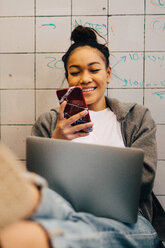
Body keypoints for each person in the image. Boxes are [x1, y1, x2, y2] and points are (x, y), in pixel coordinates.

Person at [0, 25, 160, 248]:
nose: (85, 79)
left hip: (127, 219)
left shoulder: (136, 117)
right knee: (44, 196)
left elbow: (143, 181)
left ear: (108, 74)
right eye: (75, 72)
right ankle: (29, 201)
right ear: (67, 78)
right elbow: (44, 181)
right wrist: (57, 142)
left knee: (85, 227)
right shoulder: (48, 123)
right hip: (63, 209)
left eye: (94, 70)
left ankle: (32, 224)